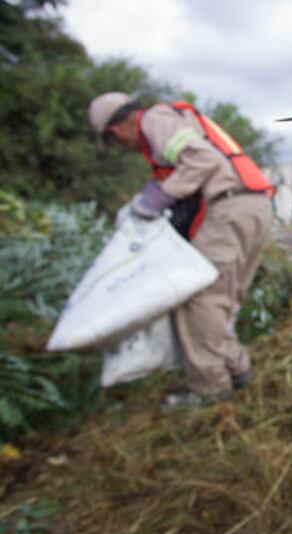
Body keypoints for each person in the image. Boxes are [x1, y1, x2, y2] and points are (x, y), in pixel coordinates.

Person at [88, 92, 274, 407]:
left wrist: (153, 202)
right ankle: (237, 369)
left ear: (116, 130)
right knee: (223, 298)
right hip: (252, 205)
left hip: (227, 208)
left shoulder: (154, 121)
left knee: (198, 297)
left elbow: (203, 160)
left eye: (117, 141)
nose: (125, 146)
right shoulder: (172, 120)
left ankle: (211, 387)